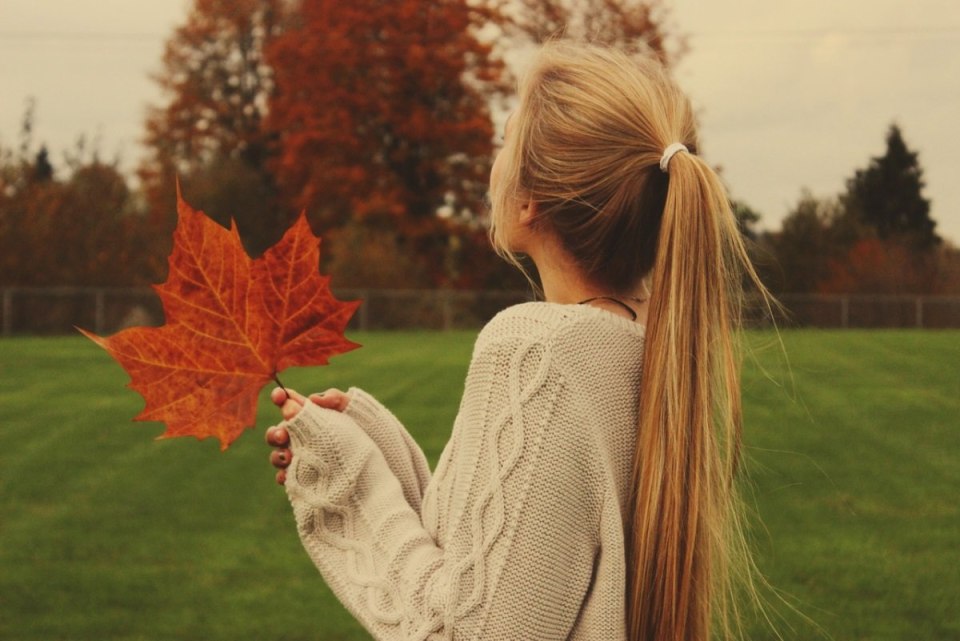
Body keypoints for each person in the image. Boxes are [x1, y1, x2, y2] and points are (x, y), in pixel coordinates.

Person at [265, 40, 772, 641]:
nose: (494, 163)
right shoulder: (649, 345)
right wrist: (383, 454)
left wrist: (355, 488)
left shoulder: (538, 355)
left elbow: (468, 632)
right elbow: (512, 561)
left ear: (531, 201)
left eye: (506, 140)